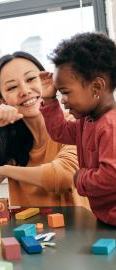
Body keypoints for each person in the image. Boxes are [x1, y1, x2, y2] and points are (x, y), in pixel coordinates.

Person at [0, 51, 89, 208]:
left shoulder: (74, 123)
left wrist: (5, 170)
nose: (25, 91)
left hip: (79, 231)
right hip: (29, 232)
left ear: (47, 80)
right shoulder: (12, 144)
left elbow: (65, 175)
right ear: (3, 101)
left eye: (31, 79)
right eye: (12, 87)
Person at [39, 32, 116, 226]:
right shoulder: (87, 121)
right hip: (106, 217)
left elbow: (111, 176)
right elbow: (59, 131)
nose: (62, 99)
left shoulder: (111, 126)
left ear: (96, 87)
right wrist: (49, 99)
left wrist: (80, 177)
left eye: (65, 92)